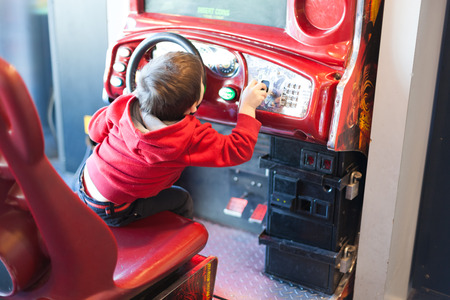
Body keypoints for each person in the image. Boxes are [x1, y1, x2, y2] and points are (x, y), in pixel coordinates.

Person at [77, 51, 267, 227]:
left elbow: (95, 133)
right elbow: (238, 149)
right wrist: (247, 108)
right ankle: (180, 256)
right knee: (182, 199)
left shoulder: (123, 104)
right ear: (193, 107)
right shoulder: (189, 138)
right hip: (114, 210)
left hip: (85, 181)